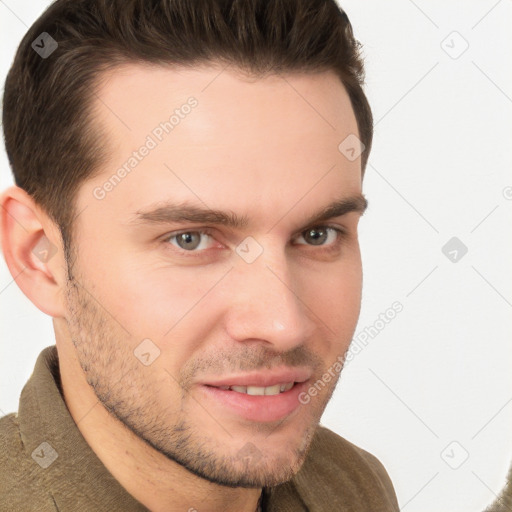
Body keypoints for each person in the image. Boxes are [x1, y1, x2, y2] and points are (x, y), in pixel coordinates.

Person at [0, 0, 400, 510]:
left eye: (318, 234)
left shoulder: (349, 486)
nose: (283, 324)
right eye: (190, 239)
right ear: (39, 255)